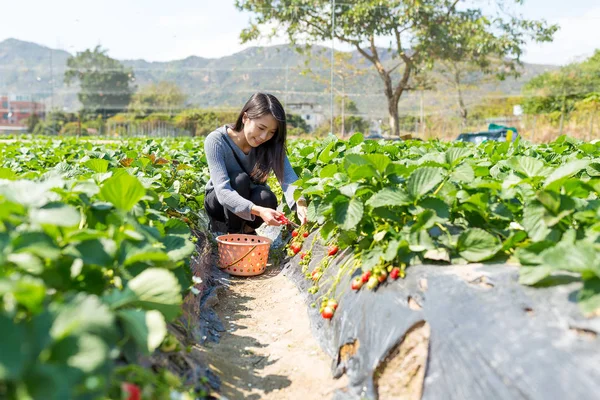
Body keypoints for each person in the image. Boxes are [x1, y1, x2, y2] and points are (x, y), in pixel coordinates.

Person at [204, 92, 308, 234]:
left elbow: (288, 178)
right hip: (219, 204)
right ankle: (230, 233)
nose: (264, 137)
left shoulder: (271, 144)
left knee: (267, 197)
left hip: (250, 206)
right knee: (240, 179)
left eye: (272, 132)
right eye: (261, 128)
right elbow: (223, 192)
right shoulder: (216, 141)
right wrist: (259, 211)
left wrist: (300, 203)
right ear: (245, 117)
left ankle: (247, 231)